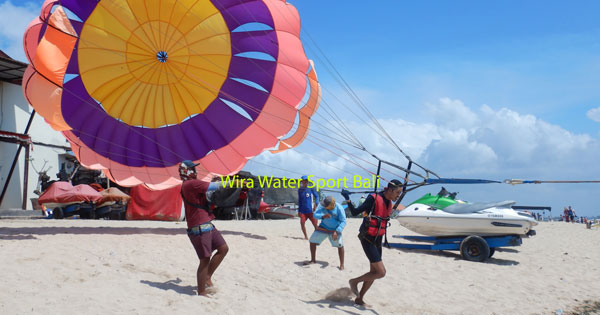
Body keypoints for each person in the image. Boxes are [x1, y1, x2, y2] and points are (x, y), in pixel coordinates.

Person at [342, 179, 403, 306]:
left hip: (378, 239)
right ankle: (354, 282)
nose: (398, 195)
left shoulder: (388, 201)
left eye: (400, 193)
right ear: (390, 190)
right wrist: (347, 198)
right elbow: (354, 212)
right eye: (397, 192)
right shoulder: (373, 199)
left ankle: (359, 299)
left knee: (374, 273)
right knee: (381, 272)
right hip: (368, 238)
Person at [179, 160, 229, 297]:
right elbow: (215, 187)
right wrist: (235, 183)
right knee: (205, 259)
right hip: (199, 228)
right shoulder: (191, 184)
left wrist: (213, 181)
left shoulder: (190, 185)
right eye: (193, 169)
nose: (195, 171)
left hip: (207, 224)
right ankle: (201, 291)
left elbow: (207, 194)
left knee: (223, 248)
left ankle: (207, 277)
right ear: (188, 171)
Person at [304, 196, 347, 270]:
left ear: (331, 205)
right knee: (312, 241)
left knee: (340, 245)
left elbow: (343, 221)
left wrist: (337, 231)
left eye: (326, 206)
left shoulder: (339, 208)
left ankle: (342, 264)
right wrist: (323, 216)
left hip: (334, 230)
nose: (323, 206)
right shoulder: (322, 205)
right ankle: (313, 260)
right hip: (323, 227)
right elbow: (315, 215)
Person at [298, 175, 319, 239]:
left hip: (311, 210)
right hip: (303, 211)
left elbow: (317, 196)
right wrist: (299, 210)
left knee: (315, 224)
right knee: (302, 223)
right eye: (304, 181)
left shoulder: (311, 188)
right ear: (302, 182)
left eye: (306, 181)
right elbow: (300, 200)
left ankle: (317, 236)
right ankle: (306, 236)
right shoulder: (300, 190)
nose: (305, 182)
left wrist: (316, 203)